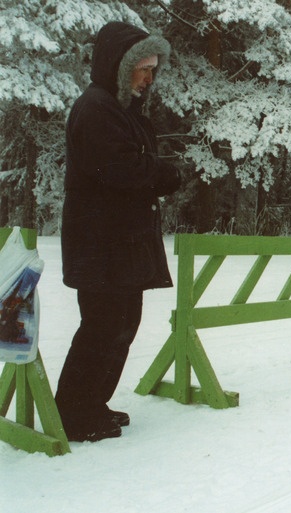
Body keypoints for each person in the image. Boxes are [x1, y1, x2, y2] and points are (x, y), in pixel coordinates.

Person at [56, 21, 180, 442]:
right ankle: (74, 415)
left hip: (120, 243)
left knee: (123, 325)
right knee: (102, 326)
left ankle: (93, 404)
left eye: (152, 69)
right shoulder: (96, 107)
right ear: (118, 66)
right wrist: (164, 173)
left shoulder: (121, 109)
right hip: (100, 243)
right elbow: (120, 169)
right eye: (142, 68)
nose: (149, 77)